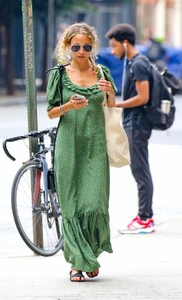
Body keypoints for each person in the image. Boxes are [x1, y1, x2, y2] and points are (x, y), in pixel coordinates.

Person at [46, 22, 117, 282]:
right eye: (76, 46)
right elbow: (51, 112)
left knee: (95, 201)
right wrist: (68, 107)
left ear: (92, 46)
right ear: (67, 46)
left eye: (86, 46)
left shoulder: (102, 72)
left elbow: (112, 107)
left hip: (96, 144)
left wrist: (109, 94)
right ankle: (77, 262)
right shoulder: (59, 74)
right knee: (72, 202)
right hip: (69, 143)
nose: (81, 51)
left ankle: (90, 252)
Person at [105, 23, 155, 234]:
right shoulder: (133, 62)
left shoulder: (139, 64)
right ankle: (144, 216)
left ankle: (145, 218)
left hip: (138, 123)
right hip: (134, 122)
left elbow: (143, 97)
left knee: (140, 169)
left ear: (125, 43)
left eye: (115, 46)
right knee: (139, 169)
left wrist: (116, 104)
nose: (112, 50)